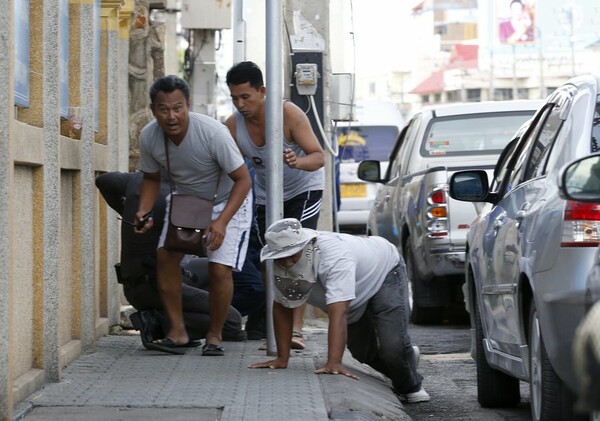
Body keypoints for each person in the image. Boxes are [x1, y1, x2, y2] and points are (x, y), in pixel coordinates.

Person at [250, 218, 430, 403]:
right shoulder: (275, 266)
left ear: (305, 246)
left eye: (292, 255)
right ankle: (404, 359)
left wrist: (333, 363)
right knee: (362, 353)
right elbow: (282, 306)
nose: (287, 263)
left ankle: (410, 384)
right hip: (355, 292)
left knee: (392, 346)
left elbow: (339, 311)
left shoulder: (334, 256)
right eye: (281, 257)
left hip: (384, 271)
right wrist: (282, 358)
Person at [135, 75, 253, 356]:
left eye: (177, 108)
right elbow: (151, 178)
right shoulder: (149, 136)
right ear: (153, 110)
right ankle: (177, 331)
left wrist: (222, 221)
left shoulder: (213, 133)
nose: (171, 116)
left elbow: (243, 180)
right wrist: (144, 209)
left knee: (218, 267)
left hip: (228, 200)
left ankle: (214, 335)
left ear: (188, 105)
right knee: (166, 256)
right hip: (188, 200)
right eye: (163, 109)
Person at [225, 61, 326, 349]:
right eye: (235, 98)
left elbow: (318, 157)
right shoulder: (233, 125)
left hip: (302, 189)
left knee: (298, 255)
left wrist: (297, 161)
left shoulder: (288, 115)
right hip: (266, 194)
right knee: (269, 258)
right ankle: (274, 327)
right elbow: (225, 164)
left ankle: (296, 330)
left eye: (246, 97)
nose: (241, 104)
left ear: (262, 91)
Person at [96, 171, 248, 354]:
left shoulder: (137, 181)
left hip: (137, 279)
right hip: (152, 286)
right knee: (231, 321)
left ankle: (178, 316)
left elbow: (104, 180)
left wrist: (127, 210)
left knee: (216, 270)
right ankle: (157, 322)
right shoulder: (178, 200)